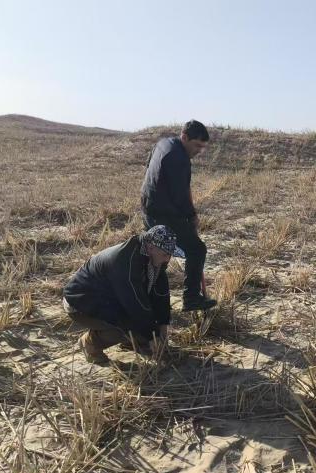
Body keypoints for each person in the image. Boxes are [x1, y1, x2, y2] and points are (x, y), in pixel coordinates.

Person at [62, 225, 184, 365]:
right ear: (150, 248)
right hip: (81, 302)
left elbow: (160, 293)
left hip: (111, 298)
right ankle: (90, 343)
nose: (168, 259)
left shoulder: (154, 257)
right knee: (128, 328)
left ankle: (133, 341)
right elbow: (134, 305)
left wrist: (162, 329)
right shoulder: (125, 262)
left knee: (144, 330)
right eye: (165, 254)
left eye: (169, 255)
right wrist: (153, 336)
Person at [141, 119, 217, 312]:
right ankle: (191, 299)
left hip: (149, 209)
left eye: (203, 146)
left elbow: (150, 168)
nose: (200, 150)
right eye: (197, 145)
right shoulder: (179, 158)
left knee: (158, 258)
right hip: (164, 214)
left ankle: (145, 299)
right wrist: (191, 216)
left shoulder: (163, 144)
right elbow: (180, 195)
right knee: (196, 250)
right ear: (184, 137)